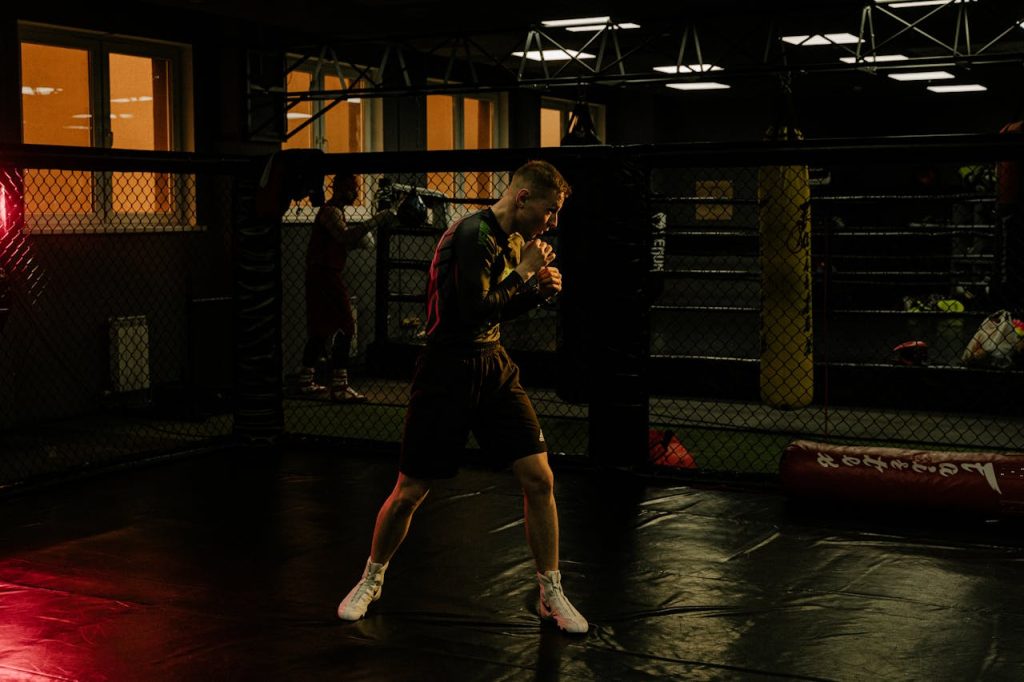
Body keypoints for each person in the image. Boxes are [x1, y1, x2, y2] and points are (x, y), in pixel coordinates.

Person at [336, 160, 588, 634]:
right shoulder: (474, 235)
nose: (552, 223)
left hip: (492, 365)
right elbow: (473, 309)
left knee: (539, 477)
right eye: (550, 211)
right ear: (523, 198)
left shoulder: (513, 239)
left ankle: (550, 591)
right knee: (410, 491)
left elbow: (499, 305)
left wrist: (536, 288)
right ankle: (371, 578)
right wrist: (530, 279)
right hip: (445, 369)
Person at [297, 172, 391, 401]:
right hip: (325, 274)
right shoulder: (330, 211)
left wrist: (356, 240)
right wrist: (375, 221)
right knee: (346, 326)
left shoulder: (334, 212)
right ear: (340, 189)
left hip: (322, 273)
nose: (356, 193)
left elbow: (342, 242)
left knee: (320, 329)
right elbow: (345, 238)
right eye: (352, 188)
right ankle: (339, 386)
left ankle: (305, 381)